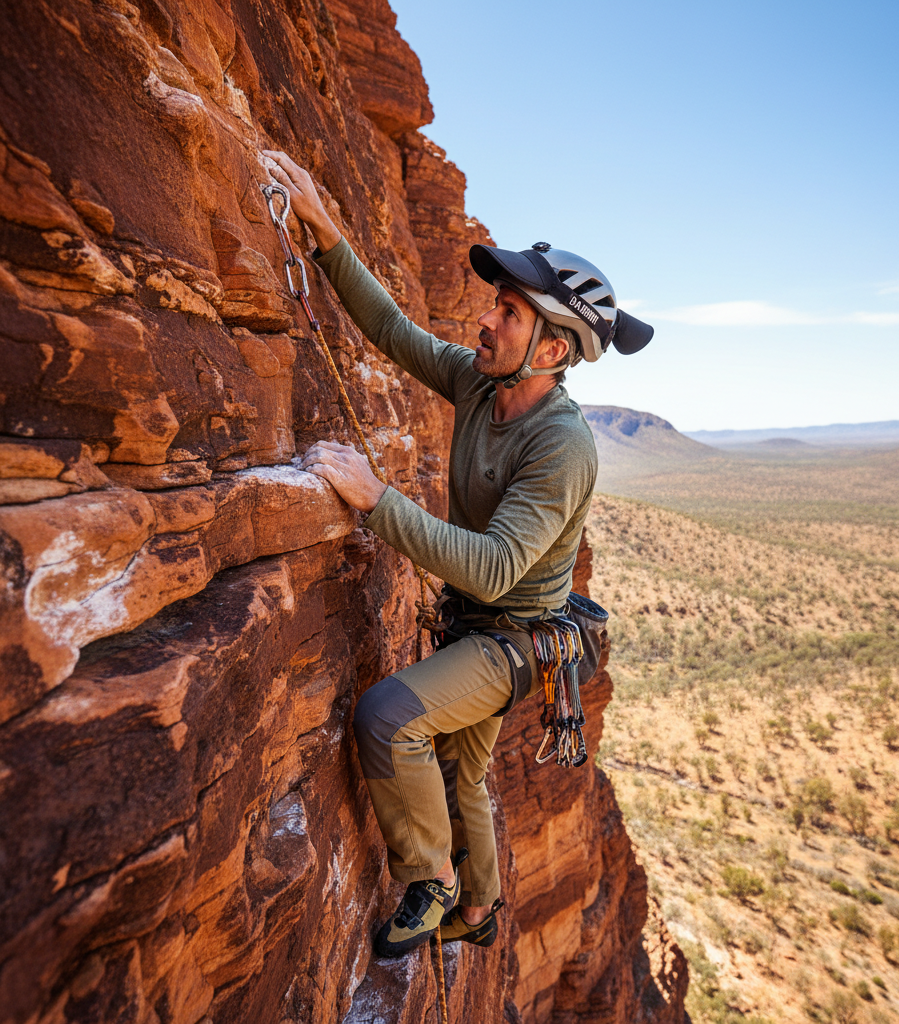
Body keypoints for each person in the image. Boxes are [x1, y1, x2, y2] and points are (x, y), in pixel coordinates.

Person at [263, 150, 653, 958]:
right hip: (483, 625)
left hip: (509, 643)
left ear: (552, 350)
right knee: (462, 773)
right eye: (497, 304)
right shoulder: (482, 383)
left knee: (389, 717)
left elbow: (493, 568)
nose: (487, 320)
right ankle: (479, 909)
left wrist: (376, 499)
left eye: (510, 313)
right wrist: (327, 234)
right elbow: (394, 333)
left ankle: (430, 881)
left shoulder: (562, 445)